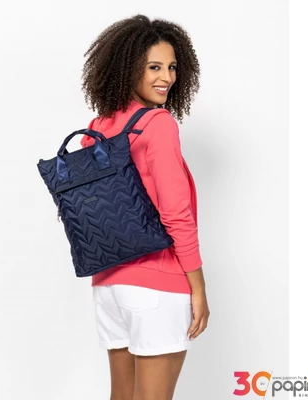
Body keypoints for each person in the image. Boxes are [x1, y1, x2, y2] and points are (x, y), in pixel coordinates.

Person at [80, 14, 210, 400]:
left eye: (172, 67)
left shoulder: (99, 126)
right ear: (127, 67)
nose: (167, 77)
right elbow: (176, 213)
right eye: (154, 67)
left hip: (109, 285)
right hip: (156, 285)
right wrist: (198, 288)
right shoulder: (158, 123)